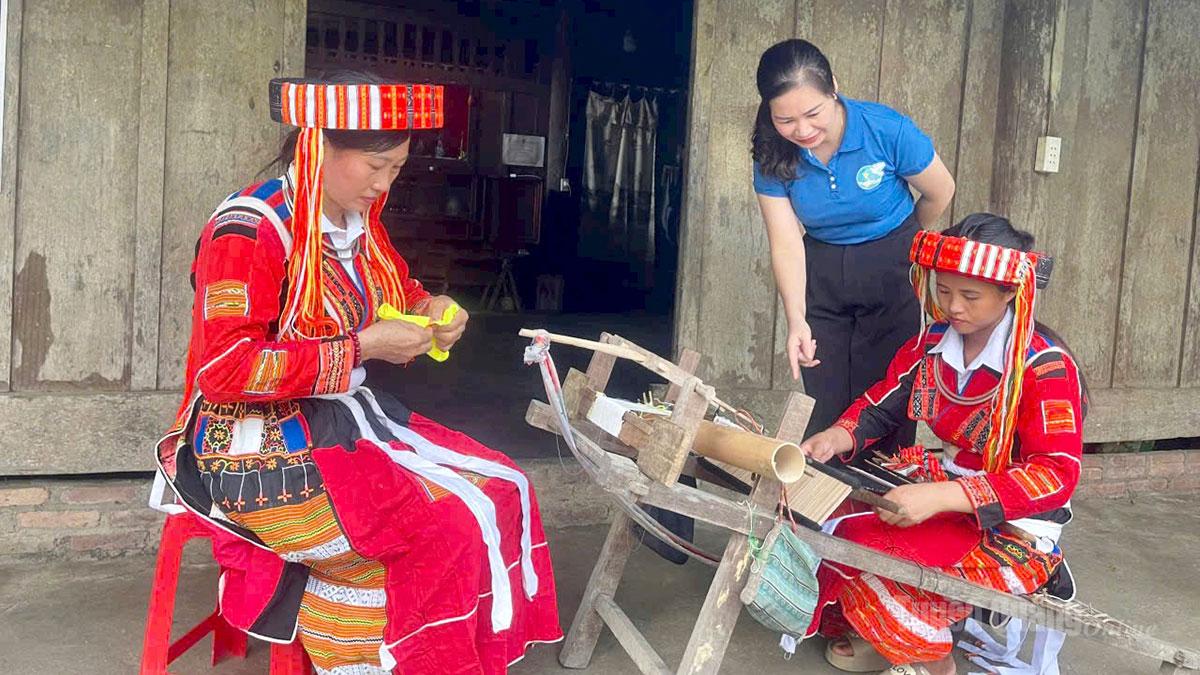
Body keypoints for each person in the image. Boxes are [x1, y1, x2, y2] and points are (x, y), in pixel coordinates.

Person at [153, 74, 562, 674]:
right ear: (317, 148)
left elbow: (404, 292)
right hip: (247, 445)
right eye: (375, 165)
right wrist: (362, 345)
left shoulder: (355, 225)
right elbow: (225, 370)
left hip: (338, 421)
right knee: (434, 523)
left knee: (503, 486)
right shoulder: (249, 230)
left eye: (395, 169)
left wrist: (437, 314)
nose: (384, 184)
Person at [799, 214, 1085, 675]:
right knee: (828, 520)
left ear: (1010, 291)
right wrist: (839, 435)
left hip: (1016, 524)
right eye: (944, 290)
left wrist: (942, 496)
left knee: (869, 553)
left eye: (970, 295)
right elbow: (884, 402)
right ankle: (882, 632)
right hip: (947, 486)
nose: (953, 307)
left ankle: (935, 662)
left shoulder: (1045, 368)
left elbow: (1055, 476)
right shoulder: (933, 341)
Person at [752, 39, 956, 453]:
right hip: (821, 267)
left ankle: (883, 505)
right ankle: (831, 511)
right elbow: (787, 242)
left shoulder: (886, 129)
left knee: (884, 394)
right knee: (826, 400)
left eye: (813, 114)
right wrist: (796, 321)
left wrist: (906, 239)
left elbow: (940, 190)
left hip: (892, 261)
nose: (803, 131)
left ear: (834, 90)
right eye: (785, 119)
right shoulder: (772, 149)